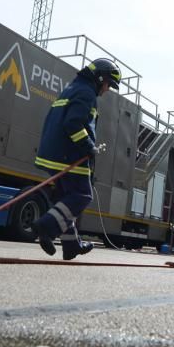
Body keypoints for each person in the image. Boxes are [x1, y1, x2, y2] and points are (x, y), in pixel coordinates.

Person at [33, 58, 121, 260]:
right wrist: (89, 147)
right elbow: (73, 124)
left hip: (54, 154)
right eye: (109, 84)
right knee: (82, 196)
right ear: (100, 78)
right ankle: (46, 226)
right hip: (68, 156)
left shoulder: (72, 88)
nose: (107, 89)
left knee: (67, 201)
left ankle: (72, 244)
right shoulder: (86, 93)